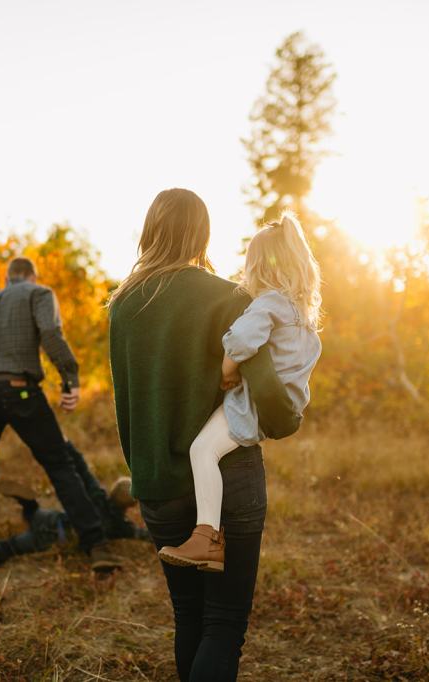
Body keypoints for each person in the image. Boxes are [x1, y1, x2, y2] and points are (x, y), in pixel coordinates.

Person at [108, 188, 301, 681]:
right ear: (203, 233)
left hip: (156, 483)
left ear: (149, 230)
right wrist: (286, 419)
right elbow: (267, 392)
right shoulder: (228, 296)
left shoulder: (123, 306)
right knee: (224, 624)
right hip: (229, 476)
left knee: (189, 616)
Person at [158, 215, 322, 572]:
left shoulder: (269, 304)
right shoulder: (300, 312)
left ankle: (207, 537)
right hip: (280, 407)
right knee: (210, 449)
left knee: (202, 450)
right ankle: (209, 536)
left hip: (252, 405)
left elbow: (241, 340)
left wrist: (226, 373)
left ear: (258, 265)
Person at [0, 257, 121, 571]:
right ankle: (95, 542)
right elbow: (50, 334)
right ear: (32, 276)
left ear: (8, 277)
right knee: (59, 462)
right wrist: (70, 378)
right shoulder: (39, 294)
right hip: (19, 389)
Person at [0, 441, 149, 576]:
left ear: (112, 491)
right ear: (131, 505)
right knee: (10, 547)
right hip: (56, 541)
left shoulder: (97, 496)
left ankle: (27, 502)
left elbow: (83, 471)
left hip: (53, 520)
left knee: (33, 513)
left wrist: (67, 445)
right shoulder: (121, 526)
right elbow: (142, 534)